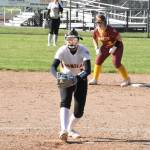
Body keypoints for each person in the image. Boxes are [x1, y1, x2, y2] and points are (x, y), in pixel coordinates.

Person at [50, 28, 91, 142]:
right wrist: (59, 76)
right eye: (69, 39)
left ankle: (70, 129)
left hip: (80, 78)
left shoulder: (84, 50)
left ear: (78, 40)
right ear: (65, 40)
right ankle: (63, 130)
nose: (71, 41)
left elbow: (88, 70)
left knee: (79, 112)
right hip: (65, 77)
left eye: (74, 39)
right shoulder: (62, 50)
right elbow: (53, 67)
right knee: (65, 101)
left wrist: (77, 78)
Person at [89, 14, 131, 87]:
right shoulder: (96, 30)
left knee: (116, 63)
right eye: (97, 22)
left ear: (104, 22)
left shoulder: (110, 29)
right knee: (98, 61)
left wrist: (114, 48)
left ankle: (127, 79)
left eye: (100, 22)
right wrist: (96, 48)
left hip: (117, 46)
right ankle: (95, 79)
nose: (98, 24)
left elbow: (119, 39)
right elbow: (94, 39)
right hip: (106, 46)